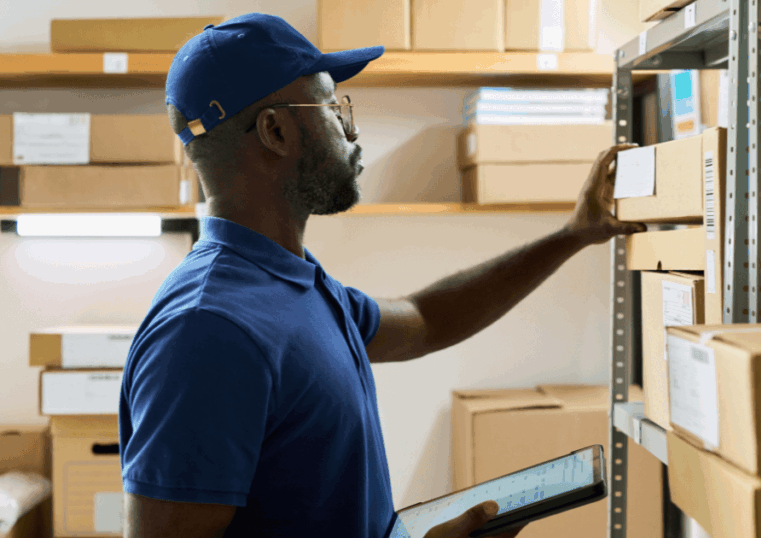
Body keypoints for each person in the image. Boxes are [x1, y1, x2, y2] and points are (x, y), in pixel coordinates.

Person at [118, 12, 645, 538]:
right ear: (275, 131)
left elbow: (425, 318)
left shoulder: (294, 282)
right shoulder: (209, 331)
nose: (351, 129)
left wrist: (573, 234)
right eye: (331, 107)